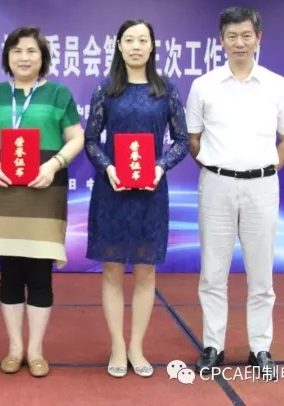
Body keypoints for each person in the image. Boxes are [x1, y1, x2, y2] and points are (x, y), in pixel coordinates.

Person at [185, 6, 284, 381]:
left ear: (258, 38)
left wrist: (263, 171)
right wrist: (218, 168)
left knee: (261, 273)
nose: (239, 43)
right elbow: (193, 139)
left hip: (262, 186)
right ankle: (213, 346)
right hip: (216, 185)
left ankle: (260, 347)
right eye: (232, 36)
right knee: (212, 272)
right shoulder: (204, 85)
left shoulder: (277, 85)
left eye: (246, 35)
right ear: (221, 40)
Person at [0, 25, 84, 378]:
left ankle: (35, 350)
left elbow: (76, 138)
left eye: (32, 50)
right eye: (17, 50)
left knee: (40, 274)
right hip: (5, 193)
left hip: (45, 192)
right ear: (7, 56)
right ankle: (15, 347)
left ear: (42, 57)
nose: (24, 57)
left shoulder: (59, 94)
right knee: (10, 274)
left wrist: (54, 164)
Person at [83, 19, 189, 378]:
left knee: (145, 271)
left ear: (152, 46)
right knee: (112, 270)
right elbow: (91, 140)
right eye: (129, 40)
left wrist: (160, 167)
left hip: (151, 192)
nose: (136, 46)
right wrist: (108, 168)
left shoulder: (165, 89)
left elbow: (182, 141)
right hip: (112, 191)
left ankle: (136, 347)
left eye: (143, 40)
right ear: (119, 46)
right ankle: (117, 345)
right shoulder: (106, 89)